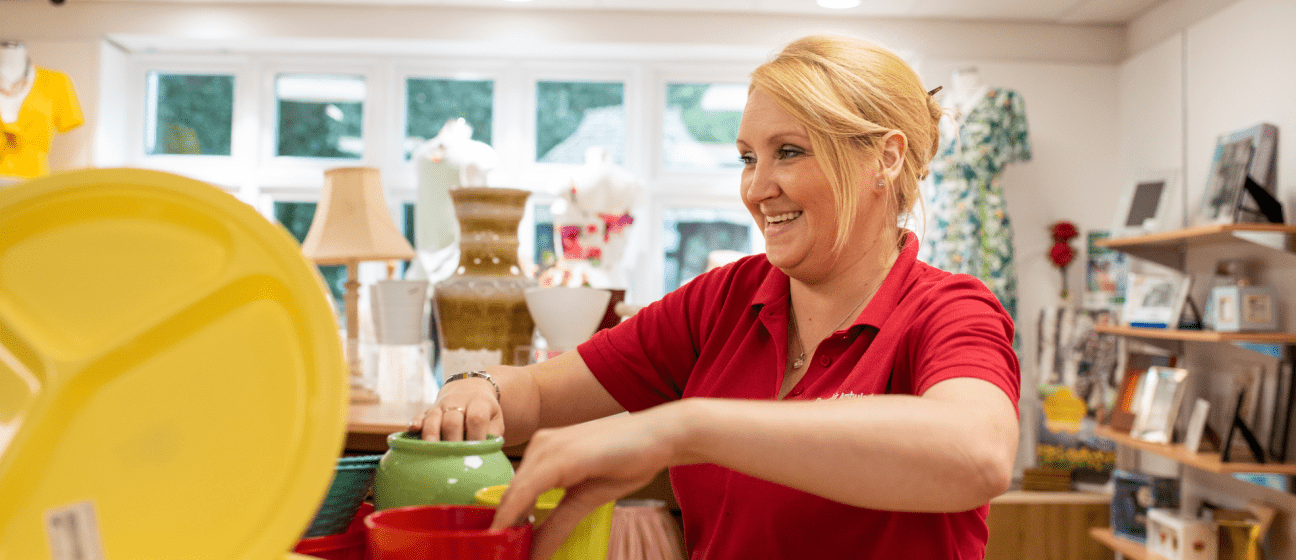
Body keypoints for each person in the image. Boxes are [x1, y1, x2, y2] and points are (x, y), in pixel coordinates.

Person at [412, 33, 1020, 560]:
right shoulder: (725, 301)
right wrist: (478, 386)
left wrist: (684, 428)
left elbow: (976, 454)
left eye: (789, 152)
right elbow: (540, 394)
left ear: (885, 158)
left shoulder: (949, 311)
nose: (757, 189)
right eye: (747, 158)